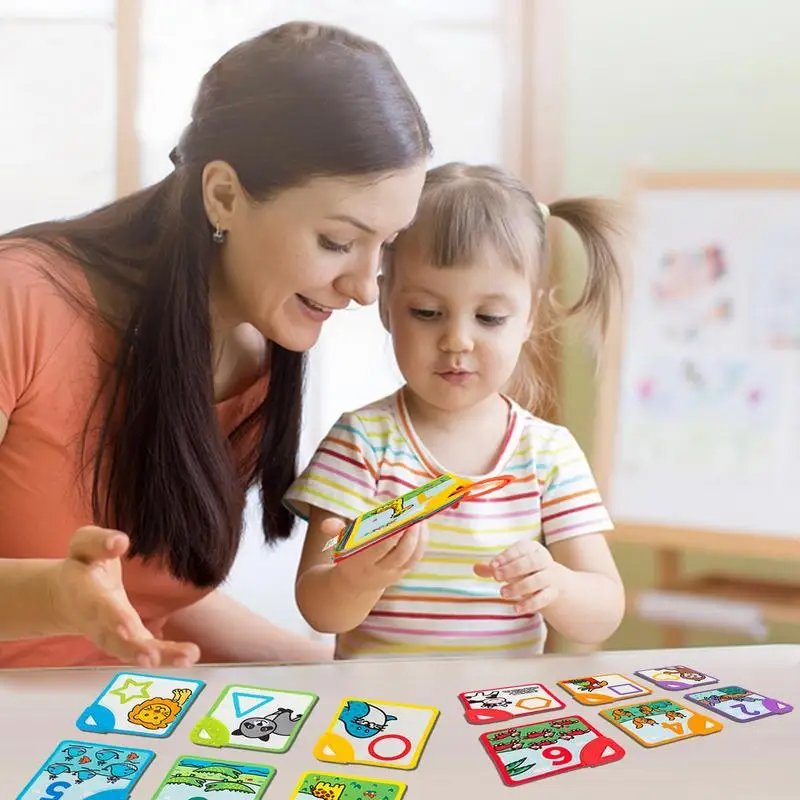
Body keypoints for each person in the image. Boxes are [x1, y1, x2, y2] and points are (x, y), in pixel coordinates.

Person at [0, 21, 431, 669]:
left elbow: (151, 596)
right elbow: (94, 604)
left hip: (130, 722)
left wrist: (335, 673)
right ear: (225, 195)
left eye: (386, 247)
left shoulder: (257, 351)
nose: (365, 289)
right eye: (339, 242)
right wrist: (56, 596)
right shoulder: (21, 299)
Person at [285, 162, 626, 659]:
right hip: (382, 718)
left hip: (503, 716)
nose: (457, 340)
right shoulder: (361, 442)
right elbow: (317, 607)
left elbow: (605, 611)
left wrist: (556, 584)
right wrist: (355, 579)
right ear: (386, 307)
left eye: (490, 317)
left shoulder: (548, 454)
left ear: (530, 316)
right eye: (426, 312)